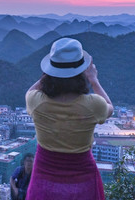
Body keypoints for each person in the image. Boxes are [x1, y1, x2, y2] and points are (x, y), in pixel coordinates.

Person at [25, 37, 113, 200]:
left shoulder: (36, 102)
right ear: (82, 73)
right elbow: (109, 107)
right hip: (82, 177)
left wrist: (48, 75)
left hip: (44, 176)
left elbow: (29, 93)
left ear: (50, 71)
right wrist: (94, 80)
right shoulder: (93, 105)